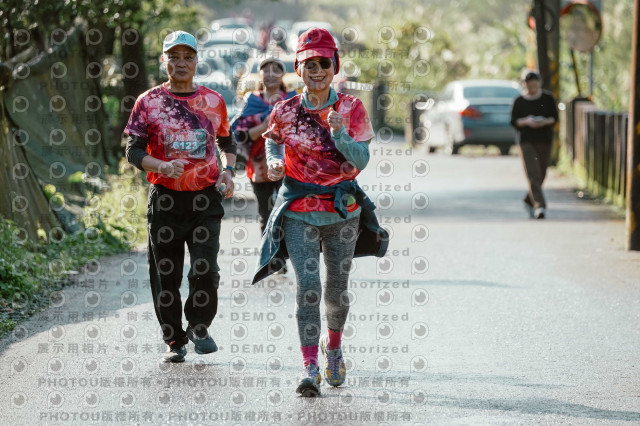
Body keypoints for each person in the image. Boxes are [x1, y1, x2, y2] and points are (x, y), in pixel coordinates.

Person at [251, 28, 388, 397]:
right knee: (309, 288)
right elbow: (273, 143)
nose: (316, 70)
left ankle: (334, 347)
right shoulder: (284, 110)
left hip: (343, 212)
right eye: (308, 64)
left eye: (323, 63)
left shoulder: (352, 108)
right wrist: (275, 162)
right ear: (298, 68)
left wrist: (340, 134)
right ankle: (310, 366)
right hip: (298, 210)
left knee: (336, 291)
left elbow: (361, 160)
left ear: (334, 66)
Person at [124, 31, 237, 362]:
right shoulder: (148, 102)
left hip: (206, 200)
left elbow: (227, 142)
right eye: (174, 56)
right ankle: (174, 340)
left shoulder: (214, 101)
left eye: (188, 56)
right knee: (166, 275)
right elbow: (132, 150)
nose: (181, 63)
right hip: (166, 201)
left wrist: (229, 171)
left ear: (197, 61)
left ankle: (199, 327)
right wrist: (161, 165)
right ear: (164, 61)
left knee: (206, 270)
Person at [231, 56, 297, 235]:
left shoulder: (292, 99)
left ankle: (285, 250)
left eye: (276, 70)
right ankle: (268, 252)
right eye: (266, 70)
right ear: (259, 74)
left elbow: (302, 131)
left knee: (289, 215)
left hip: (290, 167)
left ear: (283, 74)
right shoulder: (251, 101)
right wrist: (263, 126)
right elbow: (240, 135)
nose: (271, 74)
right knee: (266, 216)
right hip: (259, 168)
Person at [510, 70, 558, 219]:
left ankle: (528, 199)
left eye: (535, 85)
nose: (532, 88)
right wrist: (527, 121)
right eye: (529, 85)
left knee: (542, 173)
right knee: (533, 173)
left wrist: (543, 121)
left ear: (539, 84)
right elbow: (514, 121)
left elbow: (554, 118)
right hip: (526, 141)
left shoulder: (548, 98)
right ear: (525, 85)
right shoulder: (519, 101)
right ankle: (539, 206)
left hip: (545, 139)